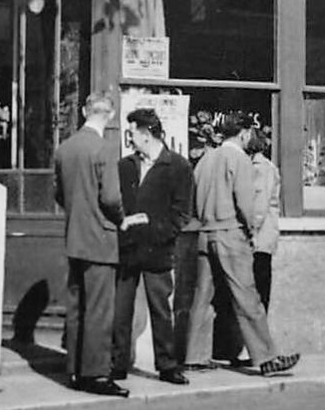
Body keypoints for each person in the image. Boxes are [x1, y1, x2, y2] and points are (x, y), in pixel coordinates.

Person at [183, 113, 298, 377]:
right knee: (247, 297)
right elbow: (247, 205)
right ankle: (267, 358)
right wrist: (250, 231)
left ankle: (194, 357)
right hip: (230, 234)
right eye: (249, 133)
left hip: (204, 233)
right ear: (244, 133)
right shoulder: (240, 160)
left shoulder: (205, 159)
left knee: (203, 297)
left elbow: (193, 199)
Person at [111, 108, 194, 385]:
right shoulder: (125, 166)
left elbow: (182, 214)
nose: (129, 138)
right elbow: (116, 204)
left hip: (157, 249)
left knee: (160, 309)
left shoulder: (179, 166)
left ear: (146, 135)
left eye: (132, 132)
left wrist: (154, 229)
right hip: (127, 250)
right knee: (121, 309)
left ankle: (167, 365)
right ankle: (117, 362)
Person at [53, 91, 127, 398]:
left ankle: (74, 369)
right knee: (99, 309)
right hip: (100, 238)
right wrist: (121, 218)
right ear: (108, 116)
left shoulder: (65, 148)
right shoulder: (105, 149)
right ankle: (95, 375)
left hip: (75, 238)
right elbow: (111, 197)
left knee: (77, 307)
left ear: (85, 111)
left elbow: (59, 194)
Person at [213, 120, 281, 367]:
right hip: (246, 238)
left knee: (254, 297)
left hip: (258, 242)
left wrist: (250, 233)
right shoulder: (239, 161)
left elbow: (258, 207)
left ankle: (248, 351)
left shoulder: (261, 167)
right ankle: (238, 349)